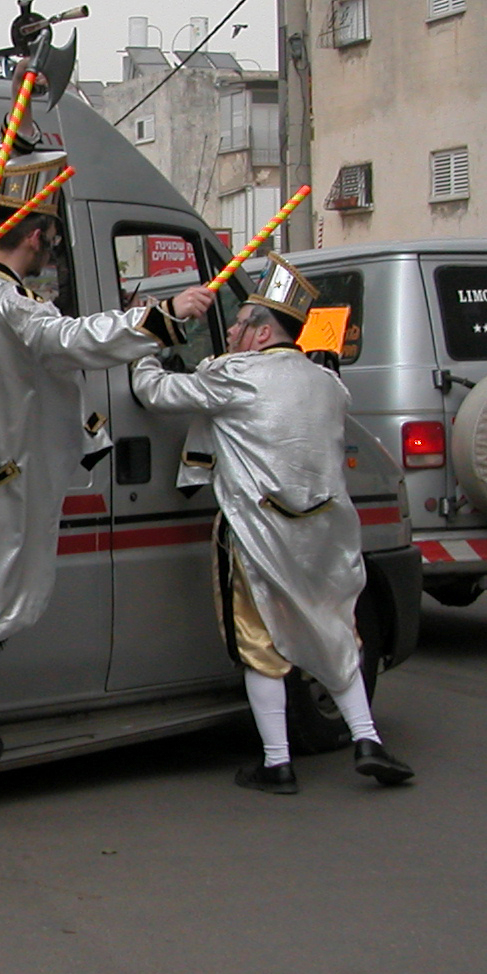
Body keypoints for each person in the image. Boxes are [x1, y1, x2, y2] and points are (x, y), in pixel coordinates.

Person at [0, 155, 213, 772]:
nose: (51, 251)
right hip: (0, 480)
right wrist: (166, 314)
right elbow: (78, 339)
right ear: (35, 236)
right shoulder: (13, 305)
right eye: (51, 240)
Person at [130, 257, 415, 794]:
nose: (231, 332)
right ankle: (367, 739)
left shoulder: (233, 375)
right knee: (334, 631)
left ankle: (277, 762)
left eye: (239, 325)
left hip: (260, 535)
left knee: (259, 642)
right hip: (326, 539)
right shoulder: (327, 384)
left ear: (262, 334)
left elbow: (155, 393)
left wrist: (148, 338)